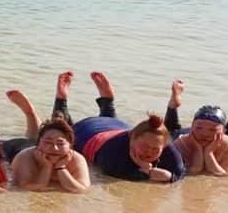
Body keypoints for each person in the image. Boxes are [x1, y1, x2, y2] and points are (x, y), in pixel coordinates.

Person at [53, 71, 185, 183]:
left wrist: (168, 176)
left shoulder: (166, 146)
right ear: (131, 138)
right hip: (87, 131)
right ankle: (61, 98)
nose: (149, 152)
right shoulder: (113, 152)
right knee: (61, 129)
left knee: (111, 119)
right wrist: (148, 171)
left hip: (116, 125)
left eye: (155, 149)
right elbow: (114, 174)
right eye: (145, 146)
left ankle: (107, 101)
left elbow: (179, 172)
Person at [165, 80, 228, 176]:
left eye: (212, 130)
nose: (204, 134)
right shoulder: (180, 143)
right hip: (187, 134)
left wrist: (209, 153)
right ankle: (172, 105)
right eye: (199, 128)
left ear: (224, 131)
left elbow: (225, 176)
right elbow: (187, 172)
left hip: (221, 135)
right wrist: (198, 149)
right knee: (168, 134)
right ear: (192, 125)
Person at [9, 117, 91, 193]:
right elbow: (26, 188)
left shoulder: (77, 159)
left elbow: (81, 189)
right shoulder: (25, 157)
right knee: (29, 138)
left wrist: (61, 168)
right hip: (14, 148)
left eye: (60, 143)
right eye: (48, 142)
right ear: (38, 143)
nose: (55, 148)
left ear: (70, 145)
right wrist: (46, 167)